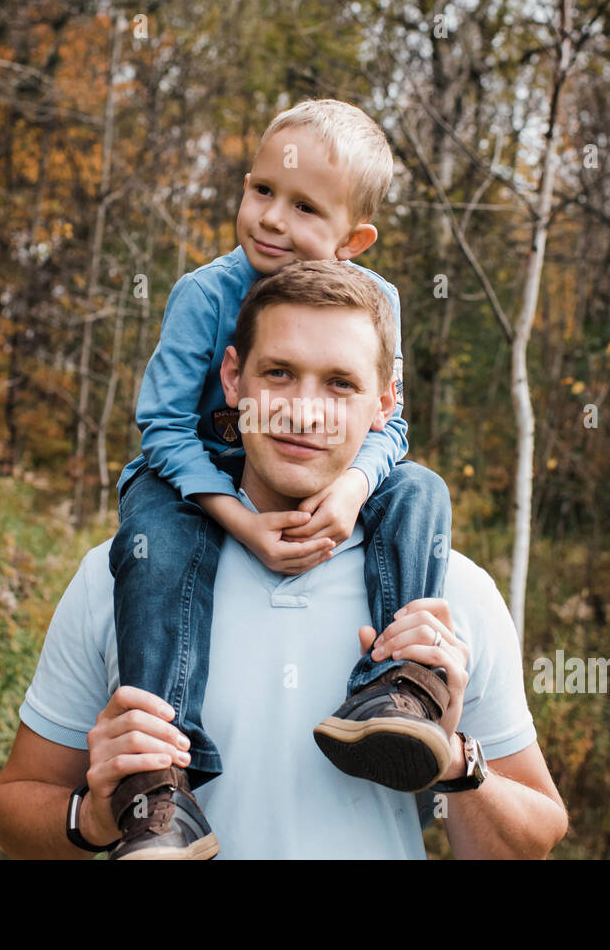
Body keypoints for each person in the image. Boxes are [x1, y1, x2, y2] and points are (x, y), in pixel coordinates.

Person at [0, 260, 569, 860]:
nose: (303, 411)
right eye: (280, 373)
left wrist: (453, 759)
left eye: (341, 383)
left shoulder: (449, 591)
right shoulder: (124, 572)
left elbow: (532, 841)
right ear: (234, 378)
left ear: (385, 403)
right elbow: (15, 811)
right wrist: (94, 816)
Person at [104, 99, 454, 856]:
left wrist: (355, 487)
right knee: (152, 547)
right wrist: (240, 520)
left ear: (352, 240)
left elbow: (389, 423)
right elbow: (162, 426)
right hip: (190, 480)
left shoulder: (377, 303)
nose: (269, 218)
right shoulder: (206, 294)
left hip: (327, 473)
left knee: (422, 490)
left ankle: (395, 689)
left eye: (302, 206)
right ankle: (162, 780)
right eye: (261, 190)